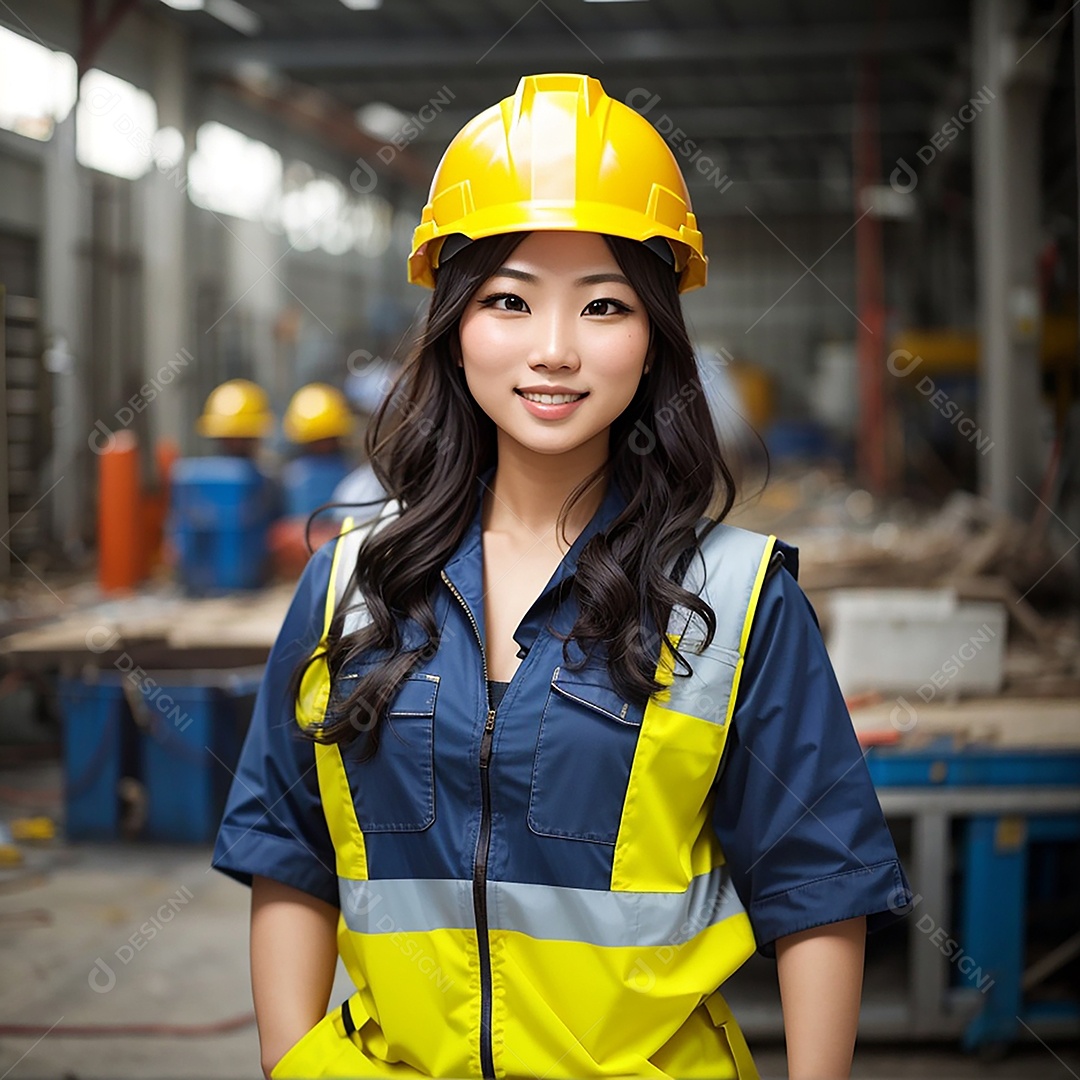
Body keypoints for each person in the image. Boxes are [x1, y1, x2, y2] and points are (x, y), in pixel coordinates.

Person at [212, 73, 912, 1080]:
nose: (553, 351)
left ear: (653, 337)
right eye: (508, 299)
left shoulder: (736, 600)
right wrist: (294, 1066)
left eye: (602, 304)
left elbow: (817, 885)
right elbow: (291, 854)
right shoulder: (353, 589)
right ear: (456, 326)